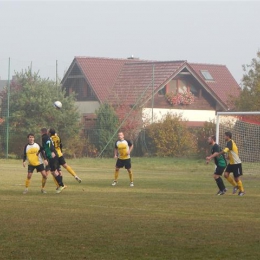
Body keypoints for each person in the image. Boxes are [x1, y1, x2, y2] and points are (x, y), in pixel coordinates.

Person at [216, 131, 245, 196]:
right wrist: (229, 156)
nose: (224, 137)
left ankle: (242, 191)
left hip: (236, 163)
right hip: (232, 163)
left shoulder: (230, 142)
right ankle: (235, 186)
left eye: (225, 136)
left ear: (228, 136)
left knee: (236, 178)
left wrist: (219, 154)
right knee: (226, 175)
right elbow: (232, 150)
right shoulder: (229, 142)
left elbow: (225, 150)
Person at [41, 127, 65, 194]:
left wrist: (52, 151)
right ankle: (60, 185)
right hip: (53, 155)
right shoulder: (47, 137)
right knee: (54, 171)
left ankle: (61, 185)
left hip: (52, 156)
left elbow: (49, 144)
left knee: (54, 171)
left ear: (42, 132)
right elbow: (45, 146)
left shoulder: (45, 137)